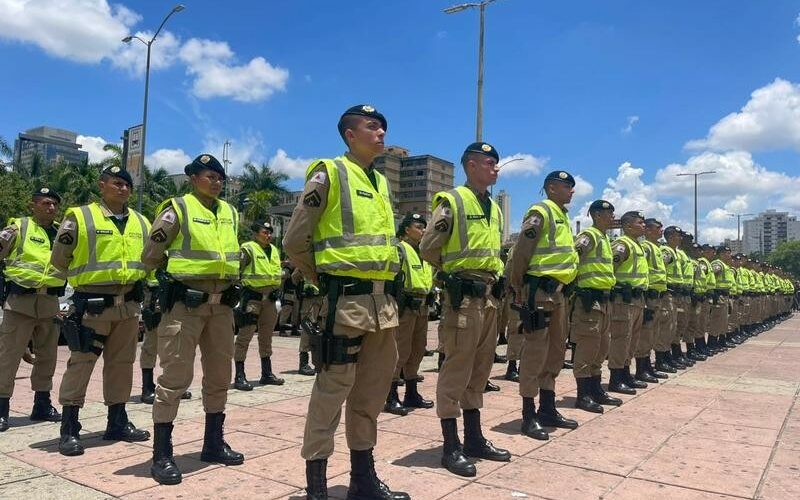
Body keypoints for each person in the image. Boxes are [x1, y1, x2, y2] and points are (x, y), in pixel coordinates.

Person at [282, 105, 409, 500]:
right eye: (372, 126)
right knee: (331, 393)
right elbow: (294, 240)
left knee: (370, 395)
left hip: (381, 305)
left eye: (383, 126)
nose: (381, 132)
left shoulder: (380, 182)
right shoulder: (330, 172)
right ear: (350, 134)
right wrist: (323, 279)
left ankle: (362, 480)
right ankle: (317, 487)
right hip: (344, 302)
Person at [143, 154, 244, 485]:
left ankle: (213, 443)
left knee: (219, 376)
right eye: (208, 176)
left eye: (219, 177)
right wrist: (173, 281)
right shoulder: (178, 208)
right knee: (175, 377)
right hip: (185, 305)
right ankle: (162, 453)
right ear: (192, 179)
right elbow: (151, 254)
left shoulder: (229, 212)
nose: (216, 182)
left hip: (222, 307)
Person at [420, 141, 510, 477]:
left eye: (496, 163)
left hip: (488, 298)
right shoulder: (453, 201)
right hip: (463, 299)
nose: (495, 168)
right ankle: (450, 446)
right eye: (489, 163)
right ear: (471, 165)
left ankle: (474, 438)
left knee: (481, 369)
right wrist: (449, 275)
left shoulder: (494, 208)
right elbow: (428, 247)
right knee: (456, 369)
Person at [51, 167, 151, 456]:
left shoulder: (142, 221)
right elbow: (59, 259)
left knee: (122, 364)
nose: (123, 189)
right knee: (81, 363)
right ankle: (70, 427)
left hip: (128, 305)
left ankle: (117, 421)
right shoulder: (80, 217)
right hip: (92, 305)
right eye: (116, 183)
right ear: (102, 185)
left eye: (127, 185)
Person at [508, 170, 580, 440]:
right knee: (535, 352)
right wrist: (517, 286)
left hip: (559, 294)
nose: (572, 190)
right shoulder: (540, 212)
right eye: (567, 185)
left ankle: (547, 408)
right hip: (539, 292)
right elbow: (521, 252)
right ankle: (529, 414)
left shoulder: (562, 215)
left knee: (555, 351)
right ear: (551, 188)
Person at [0, 187, 66, 432]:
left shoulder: (62, 232)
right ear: (33, 205)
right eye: (46, 203)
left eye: (54, 204)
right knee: (8, 356)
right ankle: (2, 409)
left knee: (47, 357)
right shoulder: (18, 228)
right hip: (20, 301)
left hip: (50, 301)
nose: (51, 208)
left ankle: (42, 405)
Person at [570, 200, 622, 413]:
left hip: (604, 300)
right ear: (597, 215)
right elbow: (573, 258)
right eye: (609, 214)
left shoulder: (604, 238)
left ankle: (595, 390)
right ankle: (583, 395)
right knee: (587, 347)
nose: (612, 217)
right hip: (589, 300)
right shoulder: (589, 236)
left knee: (601, 347)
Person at [384, 213, 434, 416]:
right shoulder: (400, 249)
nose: (423, 230)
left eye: (424, 227)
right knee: (400, 351)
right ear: (406, 229)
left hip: (422, 306)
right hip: (405, 306)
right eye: (418, 227)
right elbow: (391, 280)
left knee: (417, 350)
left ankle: (412, 393)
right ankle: (391, 396)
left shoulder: (423, 252)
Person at [233, 221, 285, 391]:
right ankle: (239, 375)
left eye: (270, 232)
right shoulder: (247, 249)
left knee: (266, 337)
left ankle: (266, 373)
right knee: (245, 336)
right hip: (252, 298)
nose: (268, 235)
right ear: (256, 234)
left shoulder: (274, 250)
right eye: (265, 232)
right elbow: (236, 271)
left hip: (270, 299)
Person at [607, 211, 649, 394]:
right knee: (621, 339)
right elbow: (611, 268)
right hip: (624, 299)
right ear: (628, 226)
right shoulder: (622, 244)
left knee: (632, 340)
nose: (644, 225)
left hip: (637, 299)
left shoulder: (637, 245)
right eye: (640, 222)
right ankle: (615, 378)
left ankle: (625, 373)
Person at [635, 218, 670, 381]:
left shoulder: (657, 248)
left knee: (654, 333)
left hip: (658, 295)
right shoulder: (646, 247)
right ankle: (641, 368)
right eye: (658, 227)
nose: (661, 230)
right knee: (646, 333)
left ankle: (648, 366)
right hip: (648, 295)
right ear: (648, 231)